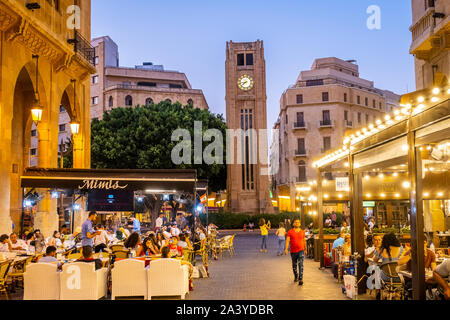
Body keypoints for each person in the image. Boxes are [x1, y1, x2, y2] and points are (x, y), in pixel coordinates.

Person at [285, 219, 306, 285]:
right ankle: (296, 276)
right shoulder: (290, 232)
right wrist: (286, 249)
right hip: (293, 251)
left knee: (301, 264)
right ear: (293, 224)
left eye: (298, 222)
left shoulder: (302, 232)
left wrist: (305, 249)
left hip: (301, 250)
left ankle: (300, 279)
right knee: (294, 265)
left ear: (300, 224)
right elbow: (288, 240)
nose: (297, 223)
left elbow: (304, 240)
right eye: (295, 222)